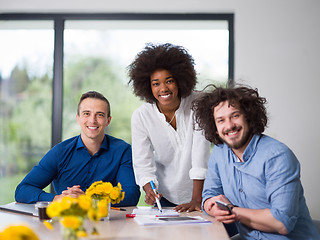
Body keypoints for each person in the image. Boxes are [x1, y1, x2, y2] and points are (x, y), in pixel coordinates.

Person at [192, 85, 320, 239]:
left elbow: (282, 222)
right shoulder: (220, 152)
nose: (229, 125)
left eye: (235, 116)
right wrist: (211, 206)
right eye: (221, 120)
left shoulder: (277, 156)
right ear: (215, 127)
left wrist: (232, 210)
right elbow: (209, 195)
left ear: (248, 116)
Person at [15, 91, 140, 206]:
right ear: (78, 118)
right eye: (86, 114)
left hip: (108, 223)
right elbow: (22, 190)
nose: (92, 120)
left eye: (100, 115)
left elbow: (131, 194)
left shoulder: (123, 151)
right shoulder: (60, 152)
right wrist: (57, 199)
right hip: (65, 223)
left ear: (108, 120)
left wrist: (88, 199)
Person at [127, 43, 210, 212]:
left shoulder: (199, 103)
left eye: (169, 81)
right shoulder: (141, 116)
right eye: (156, 83)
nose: (163, 88)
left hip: (203, 193)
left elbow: (200, 154)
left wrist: (196, 200)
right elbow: (143, 162)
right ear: (148, 86)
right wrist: (149, 189)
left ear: (180, 80)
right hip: (166, 197)